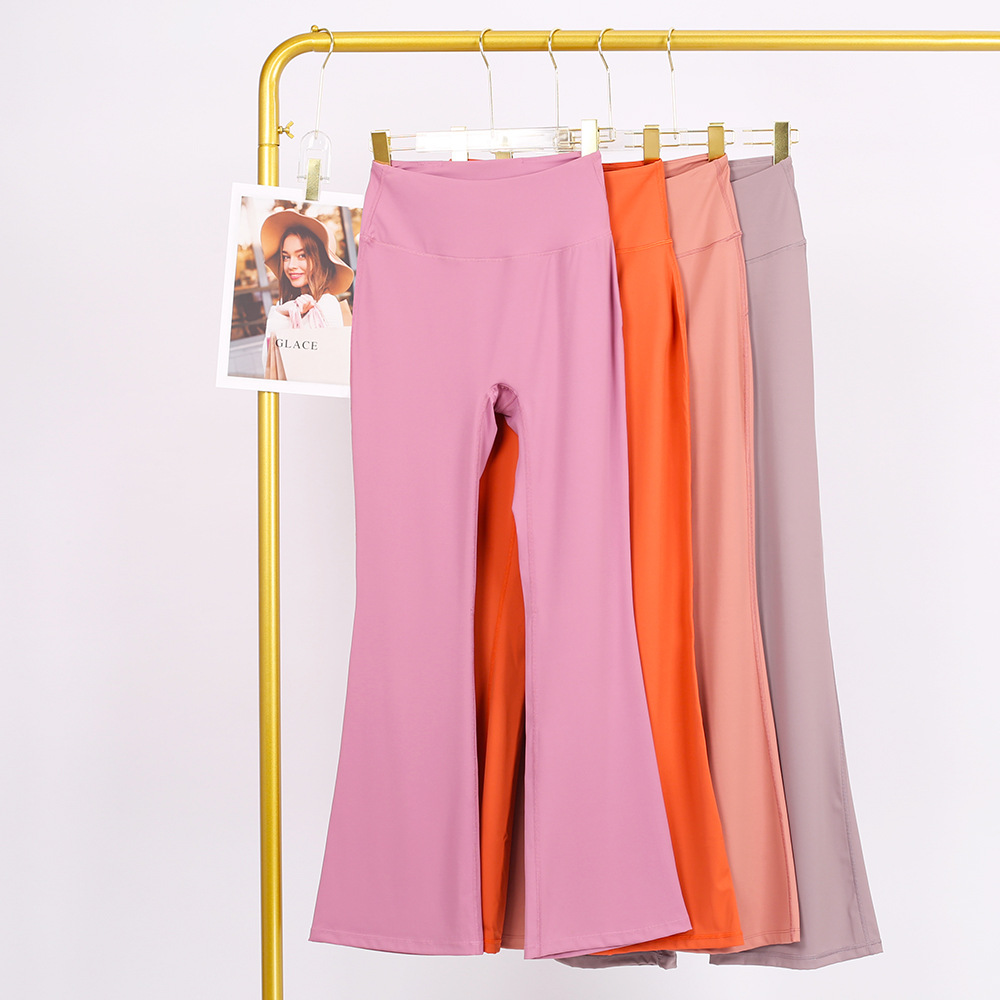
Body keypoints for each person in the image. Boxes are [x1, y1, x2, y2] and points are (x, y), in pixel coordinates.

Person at [258, 209, 355, 379]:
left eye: (302, 255)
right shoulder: (284, 305)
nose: (291, 266)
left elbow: (321, 365)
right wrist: (281, 313)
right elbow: (269, 362)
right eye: (286, 257)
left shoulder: (326, 304)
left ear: (320, 259)